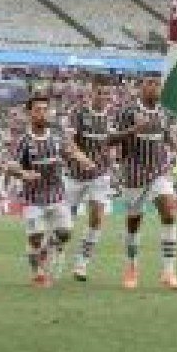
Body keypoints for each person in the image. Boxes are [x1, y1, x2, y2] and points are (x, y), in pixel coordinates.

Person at [5, 91, 87, 287]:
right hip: (33, 197)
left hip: (57, 194)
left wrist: (81, 158)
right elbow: (11, 165)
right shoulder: (24, 140)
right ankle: (38, 273)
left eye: (45, 109)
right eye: (37, 110)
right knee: (35, 238)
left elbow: (70, 150)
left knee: (65, 232)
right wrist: (24, 174)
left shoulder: (57, 135)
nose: (42, 113)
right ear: (29, 113)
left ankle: (53, 249)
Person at [111, 77, 177, 291]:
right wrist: (134, 129)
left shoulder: (165, 111)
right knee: (134, 223)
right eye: (150, 83)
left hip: (159, 170)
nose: (155, 88)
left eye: (158, 84)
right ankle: (131, 267)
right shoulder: (128, 111)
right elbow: (111, 139)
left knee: (169, 213)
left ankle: (169, 272)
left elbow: (167, 135)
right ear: (142, 88)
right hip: (134, 172)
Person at [65, 80, 121, 281]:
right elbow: (69, 143)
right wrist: (82, 158)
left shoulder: (111, 116)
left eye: (107, 93)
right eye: (100, 93)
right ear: (92, 93)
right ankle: (54, 256)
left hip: (100, 175)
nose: (104, 97)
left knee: (96, 218)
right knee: (64, 227)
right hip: (75, 175)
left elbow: (112, 142)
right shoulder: (78, 113)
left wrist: (113, 158)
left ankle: (81, 264)